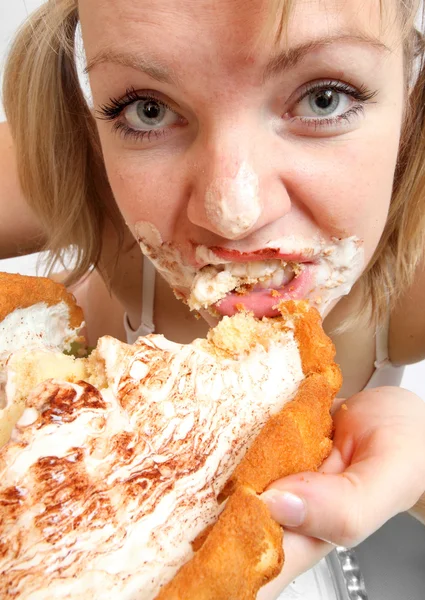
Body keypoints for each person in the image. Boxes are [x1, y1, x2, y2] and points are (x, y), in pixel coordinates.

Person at [1, 0, 425, 597]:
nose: (232, 213)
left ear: (411, 88)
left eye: (323, 97)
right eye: (148, 110)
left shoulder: (414, 279)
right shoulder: (87, 178)